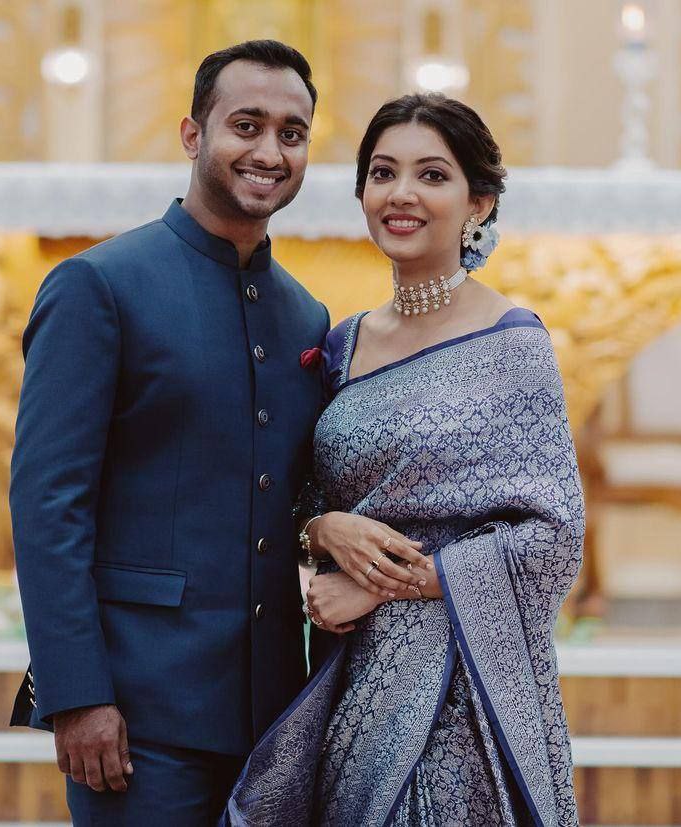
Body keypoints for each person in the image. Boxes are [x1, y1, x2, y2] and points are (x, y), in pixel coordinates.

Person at [222, 94, 585, 827]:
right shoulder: (342, 345)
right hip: (352, 680)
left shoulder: (512, 345)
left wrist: (386, 589)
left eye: (432, 175)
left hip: (463, 688)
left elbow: (554, 538)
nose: (402, 194)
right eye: (383, 173)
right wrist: (321, 532)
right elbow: (300, 497)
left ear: (478, 201)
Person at [9, 40, 338, 826]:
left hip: (268, 715)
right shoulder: (100, 286)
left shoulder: (306, 316)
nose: (269, 151)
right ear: (193, 135)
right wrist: (77, 693)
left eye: (292, 133)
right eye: (246, 125)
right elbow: (47, 503)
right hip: (134, 717)